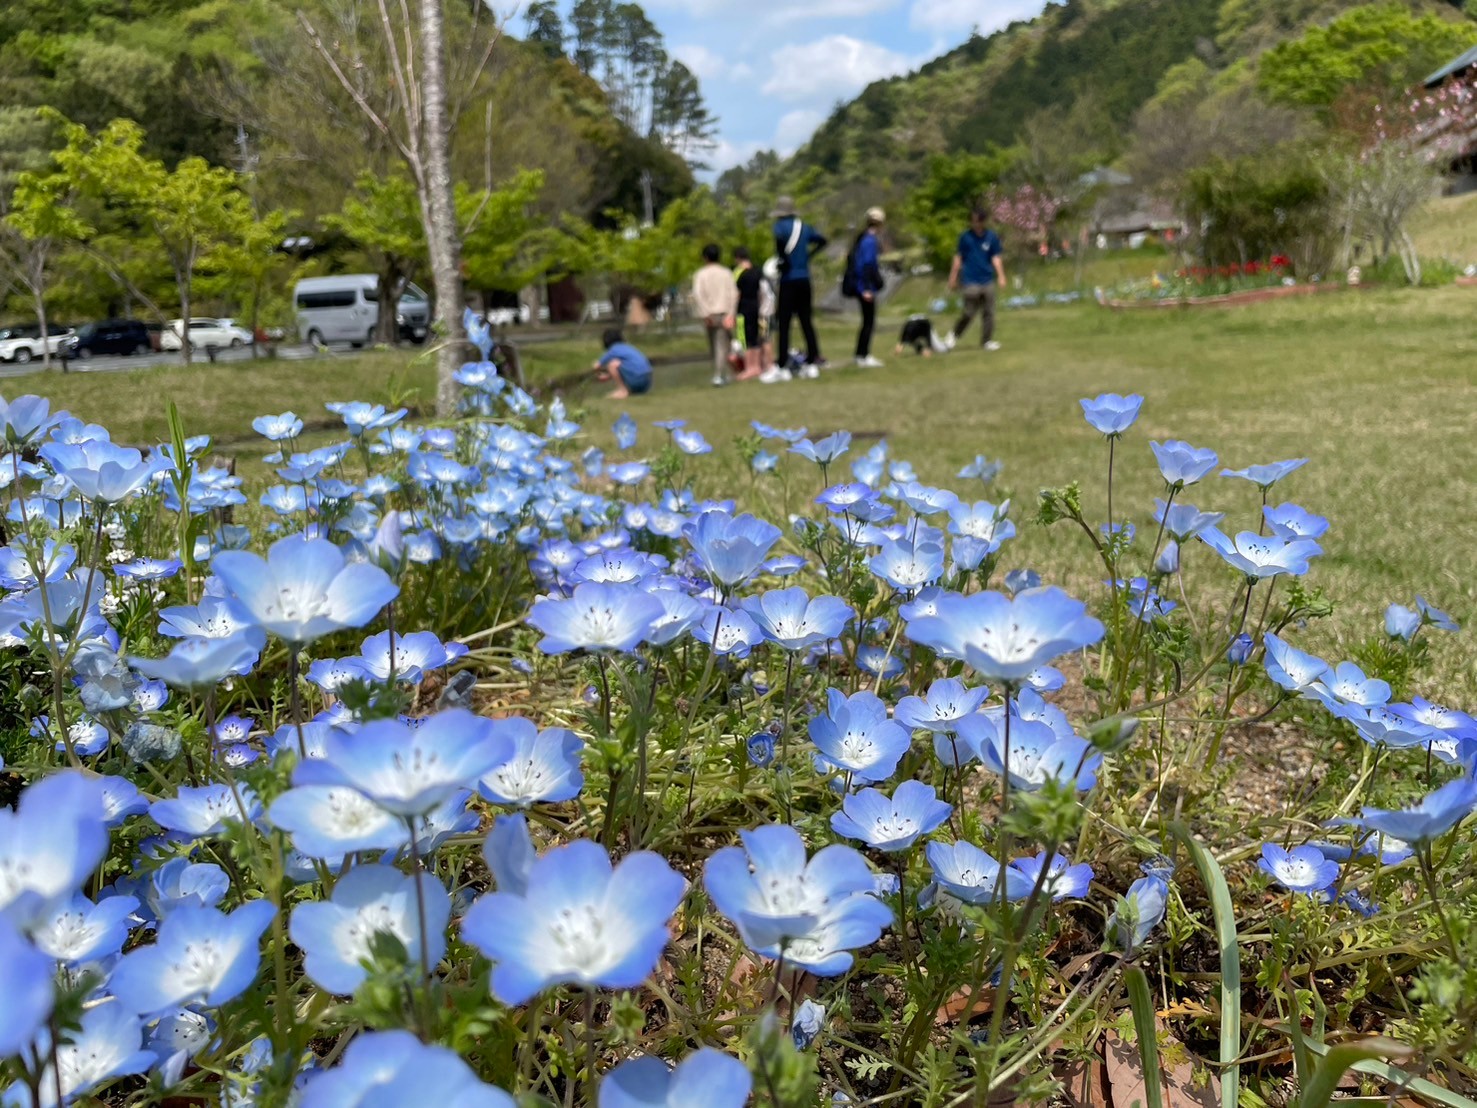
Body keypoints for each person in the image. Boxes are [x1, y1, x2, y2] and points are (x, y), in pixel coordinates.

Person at [770, 195, 826, 376]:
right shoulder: (805, 227)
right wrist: (809, 256)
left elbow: (779, 244)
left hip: (788, 279)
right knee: (806, 320)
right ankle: (813, 356)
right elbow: (823, 241)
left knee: (784, 322)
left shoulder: (779, 227)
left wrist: (783, 261)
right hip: (804, 278)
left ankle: (783, 361)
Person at [948, 207, 1006, 351]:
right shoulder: (965, 237)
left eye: (978, 221)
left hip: (986, 278)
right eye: (973, 221)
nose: (975, 224)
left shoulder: (991, 237)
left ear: (983, 221)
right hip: (970, 280)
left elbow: (995, 257)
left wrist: (1001, 276)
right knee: (969, 312)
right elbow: (958, 258)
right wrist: (953, 277)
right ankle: (953, 335)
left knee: (989, 312)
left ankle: (986, 341)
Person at [693, 242, 738, 387]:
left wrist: (705, 313)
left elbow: (698, 295)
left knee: (715, 345)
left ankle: (719, 374)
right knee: (721, 345)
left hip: (710, 313)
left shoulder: (701, 274)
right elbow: (734, 294)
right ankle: (720, 373)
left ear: (705, 257)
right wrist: (731, 313)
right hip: (724, 312)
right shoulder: (726, 273)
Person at [851, 206, 886, 368]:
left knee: (866, 321)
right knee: (869, 322)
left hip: (861, 285)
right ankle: (863, 355)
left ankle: (860, 354)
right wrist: (866, 288)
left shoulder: (862, 238)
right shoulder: (870, 241)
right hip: (865, 287)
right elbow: (866, 265)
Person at [732, 247, 764, 381]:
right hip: (756, 306)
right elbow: (762, 291)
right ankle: (757, 366)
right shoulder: (758, 271)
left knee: (744, 338)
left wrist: (732, 311)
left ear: (737, 258)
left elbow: (736, 293)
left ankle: (749, 368)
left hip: (743, 308)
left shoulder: (739, 272)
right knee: (755, 337)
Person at [592, 328, 652, 399]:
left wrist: (598, 375)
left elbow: (596, 365)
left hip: (636, 381)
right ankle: (626, 390)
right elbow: (627, 368)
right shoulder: (628, 347)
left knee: (612, 364)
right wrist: (608, 376)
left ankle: (622, 391)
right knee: (619, 363)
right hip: (647, 383)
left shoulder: (613, 349)